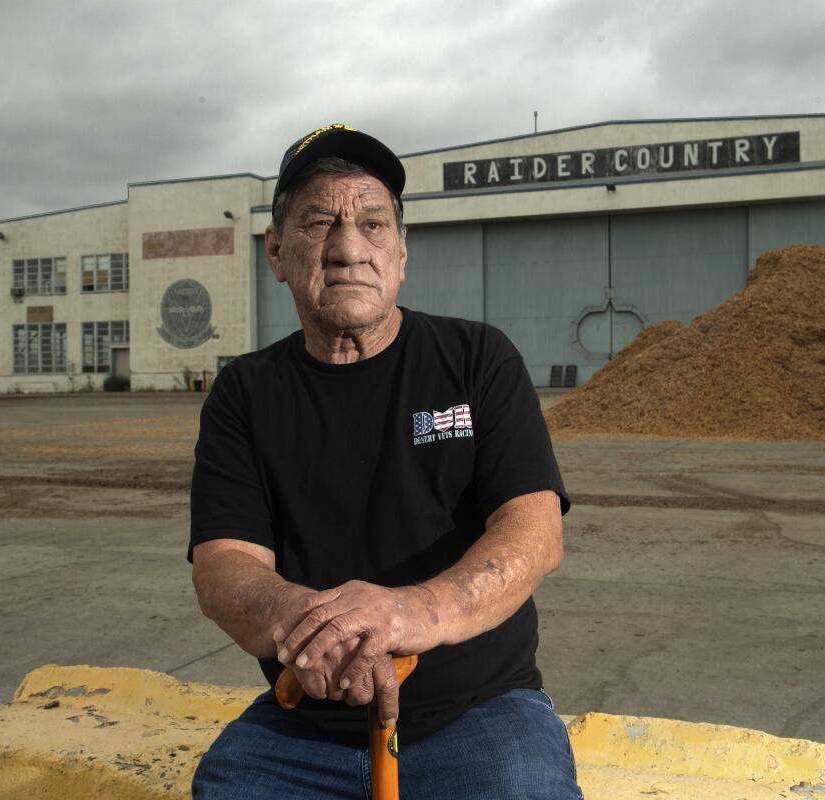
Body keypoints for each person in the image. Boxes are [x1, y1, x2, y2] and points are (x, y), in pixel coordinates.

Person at [188, 123, 582, 799]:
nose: (348, 249)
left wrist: (408, 614)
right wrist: (312, 626)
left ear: (401, 253)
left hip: (482, 711)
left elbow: (535, 532)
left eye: (373, 224)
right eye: (318, 224)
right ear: (277, 252)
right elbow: (224, 566)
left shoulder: (476, 360)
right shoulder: (246, 395)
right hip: (304, 721)